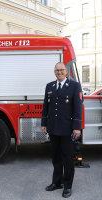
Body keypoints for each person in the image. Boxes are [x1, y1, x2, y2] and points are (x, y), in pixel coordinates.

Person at [41, 62, 82, 198]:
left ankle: (68, 186)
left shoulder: (74, 86)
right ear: (54, 72)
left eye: (61, 70)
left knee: (68, 159)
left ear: (66, 71)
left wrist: (77, 127)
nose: (59, 72)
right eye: (57, 70)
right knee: (56, 158)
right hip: (53, 128)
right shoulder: (50, 86)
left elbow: (77, 108)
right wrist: (44, 123)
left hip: (67, 129)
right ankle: (56, 182)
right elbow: (45, 107)